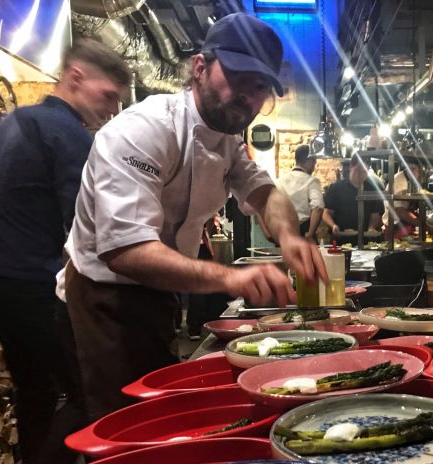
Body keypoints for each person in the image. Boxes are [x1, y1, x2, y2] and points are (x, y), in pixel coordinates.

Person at [61, 13, 327, 421]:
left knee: (157, 413)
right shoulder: (143, 130)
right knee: (121, 424)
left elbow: (264, 192)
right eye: (238, 77)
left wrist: (288, 237)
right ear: (199, 67)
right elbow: (127, 252)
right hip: (104, 298)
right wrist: (230, 277)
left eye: (260, 87)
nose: (249, 96)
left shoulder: (225, 139)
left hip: (161, 293)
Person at [0, 39, 130, 463]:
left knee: (33, 385)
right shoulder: (69, 135)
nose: (111, 110)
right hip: (25, 281)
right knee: (87, 392)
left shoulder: (12, 122)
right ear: (76, 77)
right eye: (108, 96)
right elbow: (86, 228)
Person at [323, 154, 384, 242]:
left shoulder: (372, 189)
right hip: (341, 239)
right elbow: (326, 213)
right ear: (351, 166)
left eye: (364, 172)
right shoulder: (336, 188)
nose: (360, 174)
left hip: (364, 240)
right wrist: (333, 225)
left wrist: (371, 228)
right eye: (358, 170)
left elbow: (375, 214)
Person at [276, 145, 324, 241]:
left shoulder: (279, 181)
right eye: (314, 163)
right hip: (302, 230)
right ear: (308, 161)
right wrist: (310, 234)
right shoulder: (311, 181)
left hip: (283, 232)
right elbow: (318, 207)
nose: (314, 167)